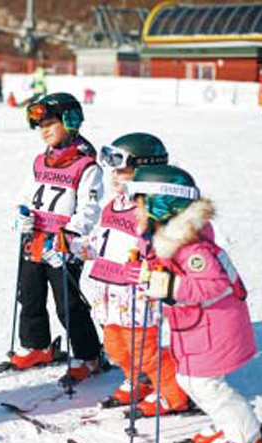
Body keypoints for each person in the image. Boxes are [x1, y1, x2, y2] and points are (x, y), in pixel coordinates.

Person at [125, 164, 262, 443]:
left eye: (138, 203)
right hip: (195, 328)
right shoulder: (164, 240)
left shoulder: (192, 248)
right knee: (189, 381)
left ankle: (247, 439)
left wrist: (169, 286)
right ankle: (229, 426)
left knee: (205, 384)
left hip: (215, 327)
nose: (132, 209)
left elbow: (214, 284)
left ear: (161, 204)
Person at [73, 134, 190, 417]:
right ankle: (138, 381)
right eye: (113, 169)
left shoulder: (154, 211)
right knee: (115, 347)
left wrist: (152, 269)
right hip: (107, 294)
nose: (114, 176)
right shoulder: (112, 206)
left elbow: (168, 252)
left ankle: (174, 395)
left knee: (145, 351)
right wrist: (74, 246)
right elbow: (100, 242)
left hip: (135, 295)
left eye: (122, 169)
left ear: (146, 171)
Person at [12, 93, 104, 387]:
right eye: (40, 126)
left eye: (50, 123)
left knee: (67, 302)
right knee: (29, 294)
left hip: (63, 244)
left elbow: (89, 210)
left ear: (70, 121)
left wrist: (70, 234)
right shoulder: (41, 161)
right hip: (36, 237)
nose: (44, 131)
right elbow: (26, 195)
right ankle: (38, 346)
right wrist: (22, 214)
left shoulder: (86, 165)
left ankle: (89, 355)